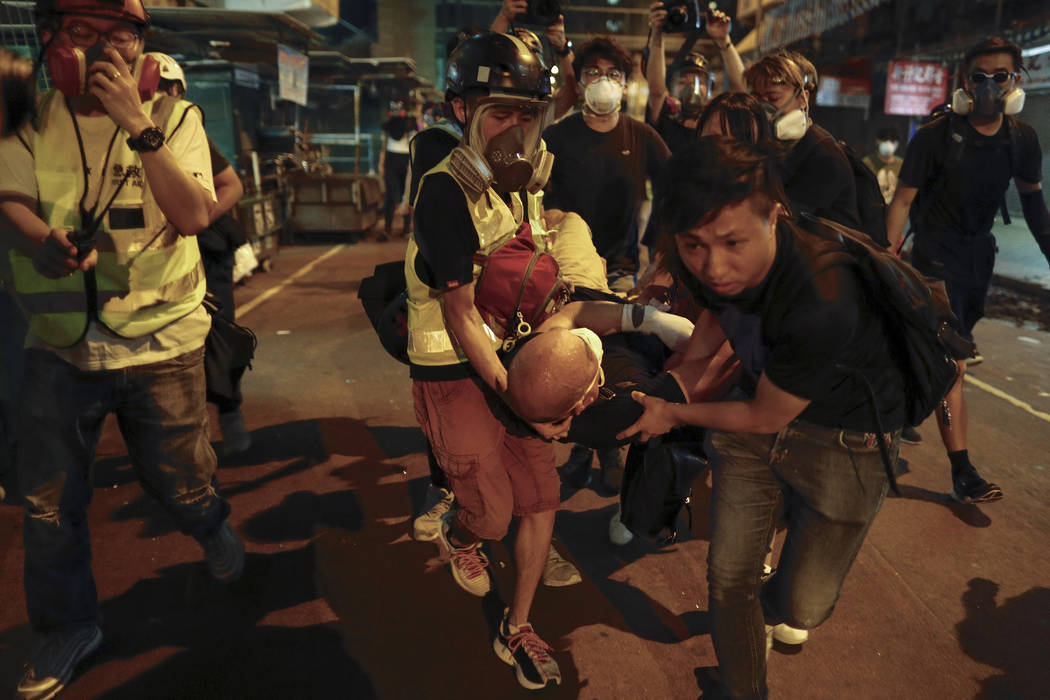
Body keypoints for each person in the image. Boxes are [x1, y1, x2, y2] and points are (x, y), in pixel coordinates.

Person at [0, 2, 244, 697]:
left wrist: (138, 125)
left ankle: (210, 519)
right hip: (58, 344)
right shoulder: (26, 116)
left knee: (179, 481)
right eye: (84, 35)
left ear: (142, 48)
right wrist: (38, 241)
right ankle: (65, 628)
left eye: (120, 38)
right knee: (48, 505)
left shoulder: (177, 120)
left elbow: (196, 213)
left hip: (162, 341)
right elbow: (8, 195)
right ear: (53, 41)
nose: (104, 51)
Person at [620, 136, 907, 700]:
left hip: (846, 441)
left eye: (732, 242)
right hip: (751, 431)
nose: (714, 266)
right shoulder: (706, 259)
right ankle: (742, 687)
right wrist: (640, 389)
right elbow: (707, 341)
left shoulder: (823, 294)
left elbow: (765, 413)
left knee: (805, 605)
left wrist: (672, 412)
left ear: (773, 216)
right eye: (694, 245)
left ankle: (772, 610)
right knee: (729, 581)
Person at [407, 31, 566, 689]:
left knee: (542, 499)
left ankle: (518, 625)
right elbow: (461, 313)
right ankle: (462, 531)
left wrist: (560, 380)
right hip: (452, 369)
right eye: (499, 112)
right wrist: (520, 393)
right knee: (494, 513)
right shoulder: (445, 192)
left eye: (525, 115)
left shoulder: (525, 188)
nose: (515, 130)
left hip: (510, 360)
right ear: (461, 112)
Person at [887, 36, 1050, 504]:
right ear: (964, 83)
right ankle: (962, 472)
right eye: (979, 77)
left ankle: (896, 410)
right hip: (934, 258)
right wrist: (887, 255)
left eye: (1001, 76)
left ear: (1016, 82)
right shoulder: (936, 136)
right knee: (951, 364)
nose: (990, 86)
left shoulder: (1022, 140)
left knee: (937, 361)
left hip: (980, 258)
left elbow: (1035, 207)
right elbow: (902, 201)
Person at [149, 51, 252, 454]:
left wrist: (200, 216)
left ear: (176, 91)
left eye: (160, 89)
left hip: (206, 252)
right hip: (158, 256)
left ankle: (230, 415)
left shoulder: (185, 129)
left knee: (218, 333)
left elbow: (232, 185)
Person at [744, 53, 862, 233]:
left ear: (802, 98)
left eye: (773, 98)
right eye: (757, 100)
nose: (763, 109)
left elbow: (784, 221)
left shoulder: (824, 155)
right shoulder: (777, 147)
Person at [644, 3, 745, 154]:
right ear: (670, 87)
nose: (691, 87)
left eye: (699, 81)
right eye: (683, 82)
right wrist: (657, 33)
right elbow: (656, 90)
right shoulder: (665, 118)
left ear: (710, 87)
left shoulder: (717, 121)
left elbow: (741, 89)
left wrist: (724, 40)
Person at [377, 99, 416, 238]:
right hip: (391, 160)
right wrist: (380, 164)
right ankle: (388, 228)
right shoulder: (387, 126)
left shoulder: (410, 125)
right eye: (394, 109)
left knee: (406, 194)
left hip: (405, 161)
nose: (397, 112)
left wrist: (413, 164)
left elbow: (413, 146)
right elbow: (383, 146)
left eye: (399, 109)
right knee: (390, 195)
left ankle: (406, 228)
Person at [863, 127, 904, 204]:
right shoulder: (867, 162)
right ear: (877, 141)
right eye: (885, 140)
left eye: (892, 141)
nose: (888, 144)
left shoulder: (901, 164)